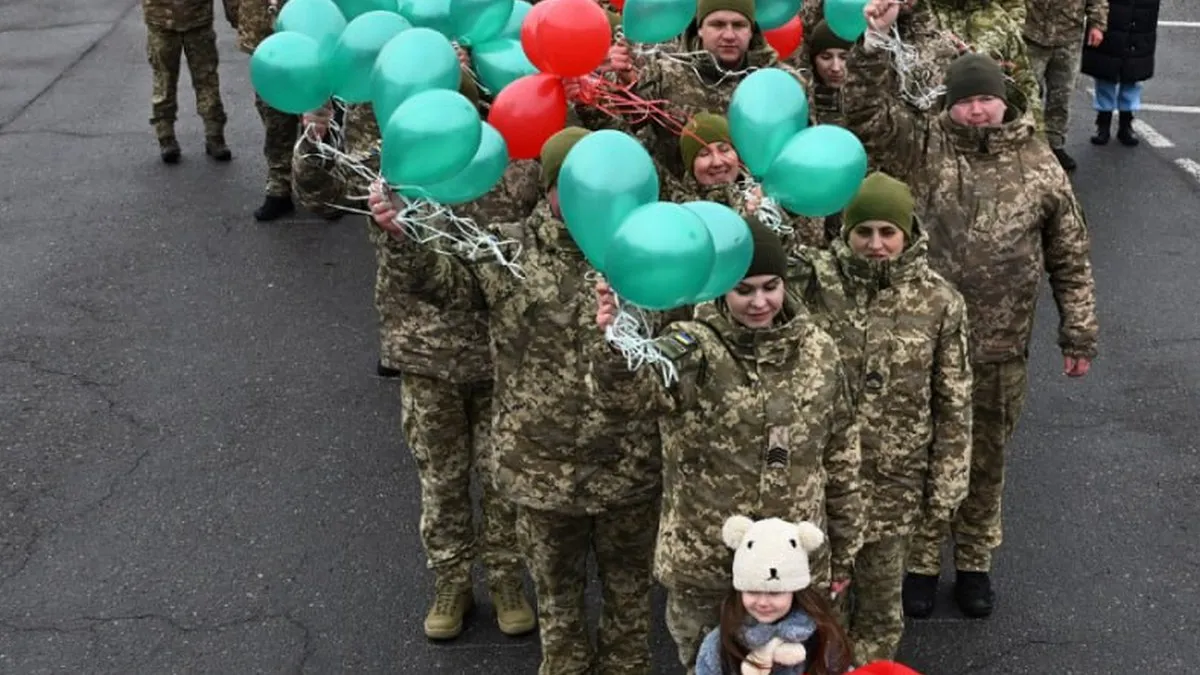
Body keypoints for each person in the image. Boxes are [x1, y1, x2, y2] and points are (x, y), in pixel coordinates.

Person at [372, 127, 664, 674]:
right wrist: (400, 236)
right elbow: (444, 287)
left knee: (629, 607)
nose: (592, 194)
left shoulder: (648, 256)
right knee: (558, 608)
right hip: (542, 470)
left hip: (631, 466)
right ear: (550, 188)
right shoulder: (506, 249)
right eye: (572, 184)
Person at [846, 1, 1099, 619]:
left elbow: (1070, 251)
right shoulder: (922, 146)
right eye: (966, 100)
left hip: (999, 346)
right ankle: (922, 563)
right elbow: (864, 114)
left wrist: (1079, 332)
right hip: (925, 343)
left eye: (986, 98)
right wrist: (875, 41)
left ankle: (977, 561)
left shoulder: (1038, 164)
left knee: (985, 457)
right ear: (951, 104)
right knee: (923, 452)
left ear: (1004, 100)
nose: (977, 109)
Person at [295, 98, 536, 640]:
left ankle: (505, 578)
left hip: (500, 349)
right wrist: (313, 136)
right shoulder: (392, 162)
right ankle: (451, 580)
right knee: (442, 474)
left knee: (502, 474)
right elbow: (318, 195)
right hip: (424, 350)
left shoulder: (511, 160)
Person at [594, 219, 862, 672]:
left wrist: (845, 548)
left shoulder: (818, 349)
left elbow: (840, 452)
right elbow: (632, 397)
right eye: (744, 290)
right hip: (708, 564)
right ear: (722, 289)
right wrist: (617, 350)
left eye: (770, 286)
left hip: (795, 563)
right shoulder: (692, 347)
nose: (760, 302)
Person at [788, 173, 972, 662]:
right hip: (823, 487)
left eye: (887, 232)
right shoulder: (813, 284)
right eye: (863, 232)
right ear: (844, 233)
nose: (875, 244)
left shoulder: (939, 301)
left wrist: (947, 483)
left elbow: (953, 399)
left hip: (896, 483)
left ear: (907, 233)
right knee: (816, 609)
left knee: (880, 611)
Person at [602, 0, 809, 176]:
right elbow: (627, 138)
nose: (729, 35)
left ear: (751, 30)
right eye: (717, 25)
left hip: (760, 213)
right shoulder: (663, 76)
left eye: (738, 25)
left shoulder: (783, 85)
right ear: (699, 29)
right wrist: (620, 82)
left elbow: (803, 160)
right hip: (682, 210)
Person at [693, 516, 854, 675]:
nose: (763, 602)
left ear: (795, 590)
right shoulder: (720, 644)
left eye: (775, 593)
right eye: (752, 591)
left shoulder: (822, 636)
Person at [667, 113, 826, 249]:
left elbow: (799, 248)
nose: (717, 162)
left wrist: (769, 214)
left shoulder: (768, 192)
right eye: (704, 154)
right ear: (690, 165)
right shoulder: (681, 209)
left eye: (724, 150)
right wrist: (745, 216)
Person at [140, 0, 234, 163]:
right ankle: (166, 136)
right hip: (161, 19)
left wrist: (234, 13)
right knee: (164, 80)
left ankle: (214, 134)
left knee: (207, 79)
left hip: (198, 19)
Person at [1024, 0, 1109, 170]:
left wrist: (1097, 25)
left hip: (1068, 38)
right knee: (1027, 94)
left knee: (1062, 95)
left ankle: (1055, 145)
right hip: (1032, 35)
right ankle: (1026, 144)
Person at [235, 0, 299, 221]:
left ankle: (322, 187)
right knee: (273, 110)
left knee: (320, 107)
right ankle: (279, 186)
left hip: (310, 26)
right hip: (264, 32)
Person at [1081, 0, 1158, 147]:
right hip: (1110, 20)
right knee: (1106, 72)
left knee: (1133, 75)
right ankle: (1103, 123)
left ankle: (1126, 123)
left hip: (1142, 22)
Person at [805, 20, 854, 127]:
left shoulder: (872, 101)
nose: (835, 68)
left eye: (844, 58)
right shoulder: (801, 101)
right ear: (814, 60)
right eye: (826, 57)